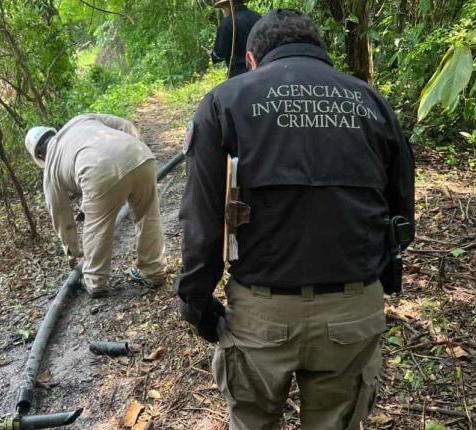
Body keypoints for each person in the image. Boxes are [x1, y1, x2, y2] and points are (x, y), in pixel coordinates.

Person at [176, 9, 415, 430]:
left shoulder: (224, 101)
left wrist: (195, 302)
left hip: (260, 313)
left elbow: (203, 219)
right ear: (323, 51)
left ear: (251, 60)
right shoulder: (371, 101)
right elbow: (401, 214)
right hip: (353, 310)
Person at [25, 114, 167, 298]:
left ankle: (95, 281)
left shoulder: (51, 168)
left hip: (99, 172)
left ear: (40, 156)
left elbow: (61, 217)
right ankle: (154, 271)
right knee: (148, 215)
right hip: (140, 155)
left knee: (96, 227)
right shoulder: (79, 120)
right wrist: (135, 154)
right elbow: (125, 124)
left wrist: (73, 252)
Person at [211, 0, 261, 78]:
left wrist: (212, 54)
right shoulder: (258, 17)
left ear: (227, 6)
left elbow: (219, 54)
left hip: (239, 75)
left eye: (223, 9)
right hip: (261, 69)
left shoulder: (227, 24)